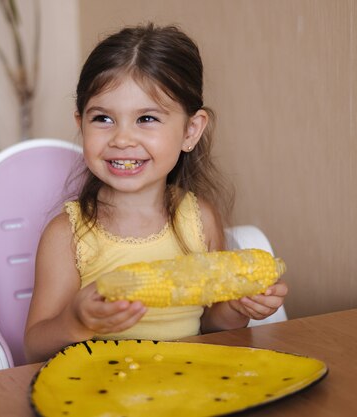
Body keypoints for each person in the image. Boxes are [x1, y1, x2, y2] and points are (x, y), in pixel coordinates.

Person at [24, 23, 287, 363]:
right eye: (103, 119)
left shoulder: (199, 220)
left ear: (190, 131)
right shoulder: (69, 235)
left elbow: (210, 324)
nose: (122, 139)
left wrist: (237, 308)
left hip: (185, 385)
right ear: (81, 125)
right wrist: (74, 321)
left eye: (146, 118)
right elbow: (34, 346)